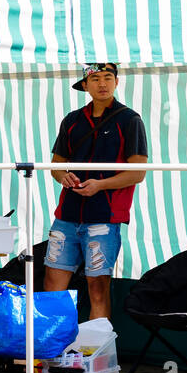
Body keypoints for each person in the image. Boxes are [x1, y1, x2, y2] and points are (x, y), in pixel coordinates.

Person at [43, 64, 149, 326]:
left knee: (98, 288)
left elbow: (138, 173)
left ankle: (98, 358)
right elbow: (56, 165)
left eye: (108, 78)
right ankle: (53, 353)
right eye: (96, 79)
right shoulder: (72, 120)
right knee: (52, 287)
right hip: (66, 216)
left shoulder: (130, 119)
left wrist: (100, 185)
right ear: (85, 85)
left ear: (116, 82)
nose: (102, 84)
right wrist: (63, 176)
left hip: (104, 217)